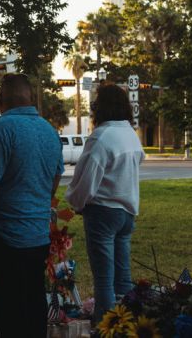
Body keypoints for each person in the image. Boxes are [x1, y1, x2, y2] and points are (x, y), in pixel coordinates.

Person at [0, 73, 65, 338]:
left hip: (6, 235)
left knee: (9, 307)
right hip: (37, 234)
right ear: (32, 99)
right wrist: (39, 202)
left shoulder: (3, 129)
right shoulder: (49, 131)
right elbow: (56, 175)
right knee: (35, 299)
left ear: (1, 99)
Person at [64, 83, 145, 323]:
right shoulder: (130, 135)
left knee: (103, 279)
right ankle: (127, 323)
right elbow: (138, 161)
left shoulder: (101, 137)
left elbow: (87, 177)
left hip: (102, 213)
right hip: (127, 213)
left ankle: (105, 326)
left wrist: (76, 203)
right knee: (123, 277)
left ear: (101, 107)